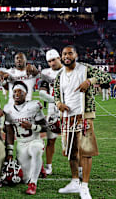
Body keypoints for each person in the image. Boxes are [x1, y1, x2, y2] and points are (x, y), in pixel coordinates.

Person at [54, 45, 111, 199]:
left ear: (76, 55)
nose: (67, 56)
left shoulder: (85, 68)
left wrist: (90, 81)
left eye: (70, 53)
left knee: (85, 151)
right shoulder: (59, 74)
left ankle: (84, 186)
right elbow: (56, 95)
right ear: (61, 57)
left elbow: (107, 77)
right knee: (71, 152)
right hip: (67, 117)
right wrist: (58, 104)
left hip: (83, 115)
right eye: (64, 54)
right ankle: (74, 181)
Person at [4, 81, 49, 195]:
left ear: (26, 94)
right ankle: (39, 166)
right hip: (21, 144)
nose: (17, 94)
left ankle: (33, 184)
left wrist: (32, 126)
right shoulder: (8, 109)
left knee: (36, 150)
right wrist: (9, 152)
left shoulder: (34, 105)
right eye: (15, 91)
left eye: (20, 91)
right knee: (24, 179)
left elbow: (45, 127)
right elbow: (9, 132)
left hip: (34, 140)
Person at [39, 49, 63, 175]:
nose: (52, 63)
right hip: (53, 110)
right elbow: (42, 93)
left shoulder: (69, 70)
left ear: (59, 58)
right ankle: (48, 166)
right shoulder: (46, 73)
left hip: (70, 110)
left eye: (53, 60)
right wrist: (56, 101)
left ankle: (79, 168)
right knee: (51, 140)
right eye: (49, 61)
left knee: (73, 140)